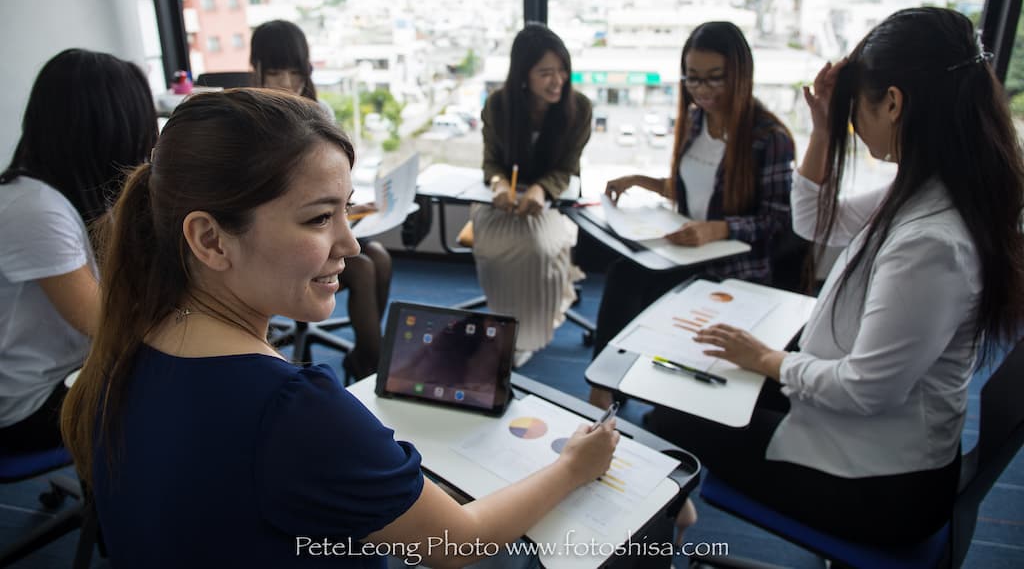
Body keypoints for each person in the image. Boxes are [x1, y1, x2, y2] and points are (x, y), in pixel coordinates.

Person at [60, 89, 619, 567]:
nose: (350, 246)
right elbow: (459, 543)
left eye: (346, 211)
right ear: (210, 240)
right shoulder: (290, 408)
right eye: (319, 218)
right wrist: (574, 466)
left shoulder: (126, 352)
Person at [647, 7, 1024, 546]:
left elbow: (865, 390)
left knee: (669, 422)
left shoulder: (933, 241)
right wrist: (822, 129)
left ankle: (660, 532)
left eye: (855, 110)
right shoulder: (933, 185)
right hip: (870, 440)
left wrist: (765, 360)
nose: (853, 124)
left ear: (893, 103)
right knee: (712, 390)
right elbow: (813, 221)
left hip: (878, 486)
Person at [590, 21, 795, 407]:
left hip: (734, 268)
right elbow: (695, 189)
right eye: (693, 79)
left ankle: (608, 390)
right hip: (687, 255)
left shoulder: (770, 138)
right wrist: (640, 180)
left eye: (715, 79)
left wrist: (716, 230)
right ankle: (604, 388)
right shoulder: (697, 120)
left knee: (630, 284)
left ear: (739, 75)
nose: (702, 91)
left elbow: (778, 219)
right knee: (624, 273)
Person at [0, 48, 157, 451]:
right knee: (179, 395)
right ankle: (107, 512)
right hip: (27, 402)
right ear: (109, 130)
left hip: (65, 371)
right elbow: (107, 324)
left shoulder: (62, 196)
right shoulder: (36, 210)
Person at [251, 19, 391, 379]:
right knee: (361, 269)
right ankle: (371, 366)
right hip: (277, 239)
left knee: (379, 257)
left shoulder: (317, 116)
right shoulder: (248, 124)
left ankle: (365, 352)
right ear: (257, 69)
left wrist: (350, 208)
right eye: (275, 72)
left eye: (294, 72)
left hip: (318, 226)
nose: (285, 84)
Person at [474, 23, 592, 367]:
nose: (558, 81)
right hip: (504, 202)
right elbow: (491, 161)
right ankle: (506, 320)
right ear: (524, 75)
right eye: (546, 73)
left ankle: (527, 333)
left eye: (562, 71)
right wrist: (498, 183)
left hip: (553, 201)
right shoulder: (498, 105)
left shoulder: (579, 108)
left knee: (537, 249)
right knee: (493, 248)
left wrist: (541, 189)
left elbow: (568, 167)